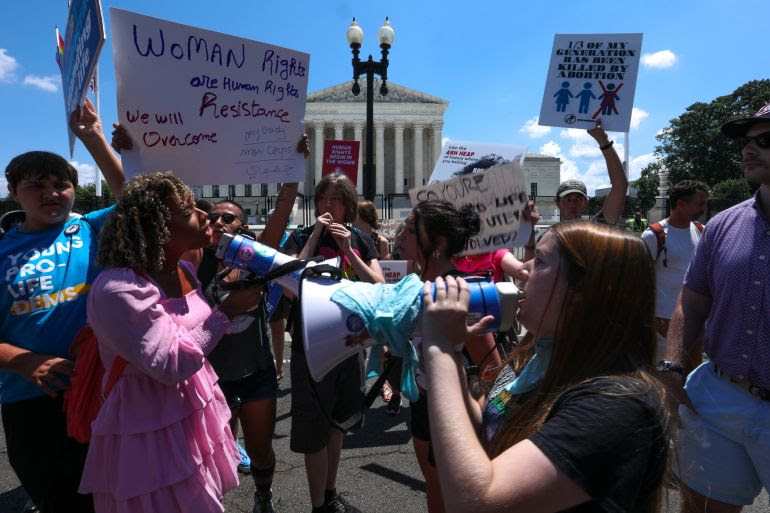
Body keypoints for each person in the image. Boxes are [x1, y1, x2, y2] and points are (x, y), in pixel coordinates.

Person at [421, 221, 668, 512]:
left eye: (539, 261)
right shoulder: (533, 356)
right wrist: (452, 355)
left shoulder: (617, 405)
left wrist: (439, 350)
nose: (523, 271)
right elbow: (482, 424)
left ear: (581, 290)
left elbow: (478, 503)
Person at [79, 172, 263, 513]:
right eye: (190, 210)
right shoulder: (120, 288)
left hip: (190, 413)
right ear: (159, 228)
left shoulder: (184, 269)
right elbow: (169, 364)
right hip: (148, 426)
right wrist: (225, 313)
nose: (206, 214)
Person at [0, 98, 124, 513]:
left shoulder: (90, 227)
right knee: (60, 500)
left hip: (101, 390)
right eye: (36, 185)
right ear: (13, 190)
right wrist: (21, 360)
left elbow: (136, 198)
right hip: (29, 400)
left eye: (61, 184)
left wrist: (94, 139)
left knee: (113, 497)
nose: (51, 193)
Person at [662, 102, 770, 512]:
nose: (748, 150)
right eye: (747, 142)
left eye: (766, 141)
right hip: (720, 397)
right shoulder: (724, 225)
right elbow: (691, 300)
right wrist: (672, 367)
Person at [281, 173, 384, 513]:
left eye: (336, 200)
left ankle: (330, 492)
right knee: (313, 427)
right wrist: (314, 238)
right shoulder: (299, 236)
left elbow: (378, 285)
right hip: (309, 345)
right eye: (323, 198)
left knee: (338, 422)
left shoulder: (359, 239)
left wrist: (348, 252)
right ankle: (316, 505)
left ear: (348, 206)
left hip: (348, 343)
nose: (328, 205)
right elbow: (287, 281)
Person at [393, 200, 502, 513]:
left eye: (412, 230)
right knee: (435, 491)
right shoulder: (413, 285)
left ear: (438, 243)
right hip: (423, 404)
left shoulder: (461, 294)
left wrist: (472, 415)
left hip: (457, 413)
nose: (402, 234)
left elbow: (493, 369)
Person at [640, 180, 708, 363]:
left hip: (695, 317)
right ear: (681, 204)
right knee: (666, 376)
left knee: (692, 373)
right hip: (664, 320)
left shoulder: (701, 231)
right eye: (700, 204)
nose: (705, 209)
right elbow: (639, 281)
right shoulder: (654, 235)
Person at [553, 121, 627, 225]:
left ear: (585, 202)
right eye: (568, 199)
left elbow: (620, 186)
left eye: (578, 199)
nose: (573, 204)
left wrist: (603, 141)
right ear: (557, 202)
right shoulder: (547, 238)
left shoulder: (595, 229)